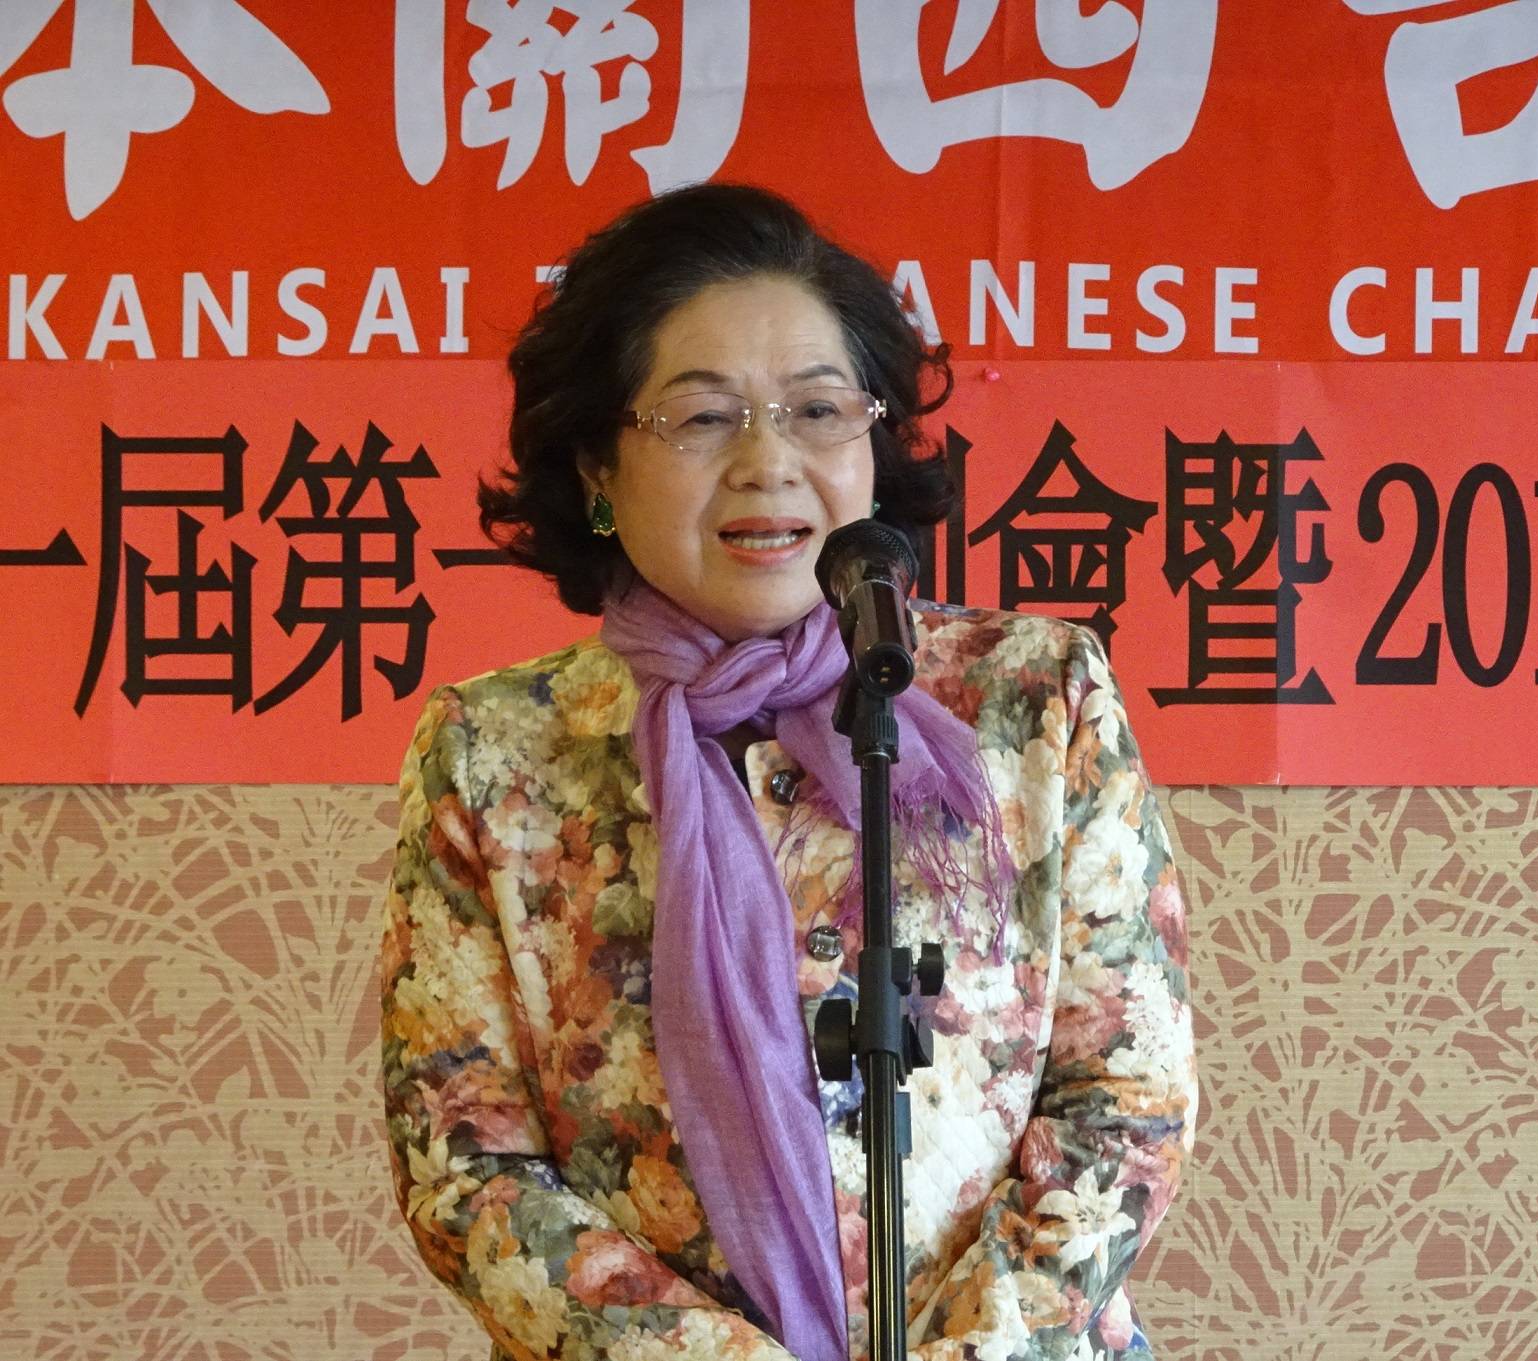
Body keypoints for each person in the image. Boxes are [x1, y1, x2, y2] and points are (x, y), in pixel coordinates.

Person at [378, 182, 1197, 1361]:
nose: (768, 462)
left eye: (817, 409)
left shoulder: (1034, 698)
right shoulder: (494, 750)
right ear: (598, 467)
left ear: (871, 447)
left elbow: (1126, 1092)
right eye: (703, 416)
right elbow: (465, 1159)